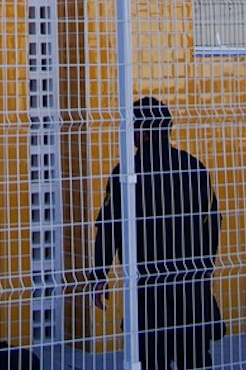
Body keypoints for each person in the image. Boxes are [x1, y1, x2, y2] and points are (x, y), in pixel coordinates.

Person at [91, 97, 225, 370]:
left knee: (152, 359)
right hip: (191, 283)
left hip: (149, 285)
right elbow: (212, 222)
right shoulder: (194, 167)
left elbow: (109, 229)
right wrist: (206, 266)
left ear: (143, 131)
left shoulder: (126, 173)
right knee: (196, 358)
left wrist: (98, 275)